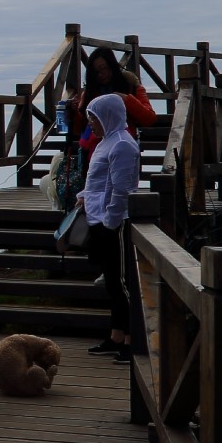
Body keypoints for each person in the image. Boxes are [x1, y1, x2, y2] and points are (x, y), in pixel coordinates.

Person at [77, 92, 141, 362]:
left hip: (114, 222)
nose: (91, 122)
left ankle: (131, 339)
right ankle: (116, 335)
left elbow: (122, 189)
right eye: (90, 118)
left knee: (122, 283)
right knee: (112, 282)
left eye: (95, 118)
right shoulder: (106, 142)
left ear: (109, 116)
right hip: (98, 218)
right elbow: (98, 180)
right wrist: (83, 196)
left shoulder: (123, 144)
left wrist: (111, 222)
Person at [76, 47, 156, 162]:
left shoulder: (131, 87)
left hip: (122, 149)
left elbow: (149, 118)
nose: (100, 74)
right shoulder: (90, 92)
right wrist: (73, 113)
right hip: (90, 151)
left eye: (103, 68)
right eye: (95, 72)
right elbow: (79, 128)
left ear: (112, 66)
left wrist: (126, 100)